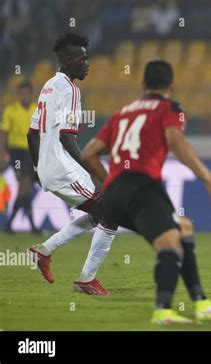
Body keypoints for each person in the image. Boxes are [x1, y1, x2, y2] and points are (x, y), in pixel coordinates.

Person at [82, 59, 211, 324]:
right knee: (170, 243)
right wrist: (210, 180)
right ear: (172, 86)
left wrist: (112, 182)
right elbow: (177, 143)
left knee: (183, 229)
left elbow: (88, 154)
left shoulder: (122, 113)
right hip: (143, 188)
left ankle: (201, 303)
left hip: (114, 195)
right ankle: (163, 310)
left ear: (143, 85)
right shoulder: (171, 108)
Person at [27, 31, 118, 295]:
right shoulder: (70, 90)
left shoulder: (48, 86)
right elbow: (67, 136)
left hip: (48, 166)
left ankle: (44, 251)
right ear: (68, 61)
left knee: (100, 213)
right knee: (111, 212)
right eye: (82, 59)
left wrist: (37, 169)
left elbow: (31, 133)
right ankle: (87, 279)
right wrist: (95, 174)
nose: (87, 64)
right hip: (60, 165)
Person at [0, 81, 39, 233]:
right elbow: (4, 133)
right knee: (24, 186)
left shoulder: (37, 109)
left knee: (26, 189)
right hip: (16, 153)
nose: (24, 96)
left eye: (27, 93)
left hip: (31, 153)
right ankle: (32, 226)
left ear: (31, 94)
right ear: (19, 95)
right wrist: (2, 153)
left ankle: (10, 224)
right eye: (21, 93)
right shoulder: (11, 110)